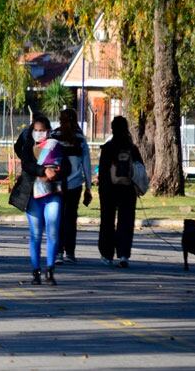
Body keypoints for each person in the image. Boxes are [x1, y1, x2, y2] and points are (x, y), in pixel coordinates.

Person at [9, 116, 68, 285]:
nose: (40, 133)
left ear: (49, 131)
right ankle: (36, 271)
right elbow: (27, 165)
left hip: (53, 193)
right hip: (33, 195)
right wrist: (43, 170)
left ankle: (50, 270)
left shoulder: (55, 146)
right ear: (32, 130)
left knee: (53, 232)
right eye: (37, 130)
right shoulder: (28, 146)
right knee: (35, 234)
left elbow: (67, 167)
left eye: (43, 130)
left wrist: (57, 172)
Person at [98, 116, 142, 268]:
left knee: (107, 221)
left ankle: (106, 254)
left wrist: (101, 190)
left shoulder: (108, 147)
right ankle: (123, 254)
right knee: (126, 221)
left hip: (109, 189)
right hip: (127, 189)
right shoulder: (132, 148)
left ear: (112, 128)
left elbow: (103, 172)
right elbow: (139, 169)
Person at [52, 109, 92, 264]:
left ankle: (58, 252)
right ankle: (70, 252)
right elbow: (87, 165)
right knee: (71, 218)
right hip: (75, 184)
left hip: (56, 184)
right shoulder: (80, 139)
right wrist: (88, 187)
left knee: (57, 218)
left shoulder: (54, 137)